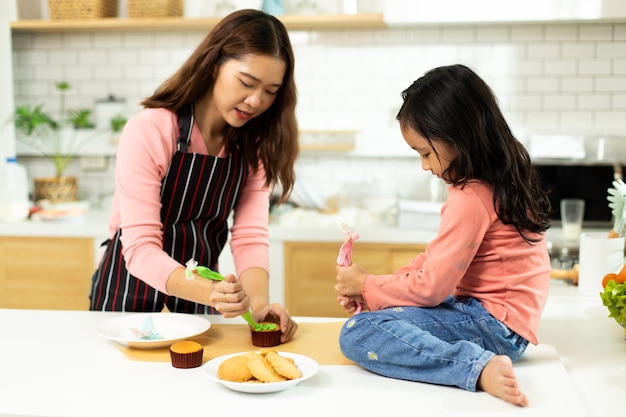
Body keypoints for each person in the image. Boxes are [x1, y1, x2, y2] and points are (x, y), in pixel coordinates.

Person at [334, 64, 552, 406]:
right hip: (499, 321)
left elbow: (431, 288)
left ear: (457, 135)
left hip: (492, 325)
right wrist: (375, 289)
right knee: (375, 317)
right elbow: (434, 262)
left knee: (357, 332)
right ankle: (477, 362)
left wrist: (366, 286)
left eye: (425, 153)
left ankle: (476, 368)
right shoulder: (497, 183)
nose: (424, 166)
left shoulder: (471, 197)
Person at [90, 9, 298, 343]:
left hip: (196, 304)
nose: (256, 100)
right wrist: (212, 293)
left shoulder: (255, 147)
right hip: (126, 297)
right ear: (214, 64)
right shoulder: (152, 130)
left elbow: (250, 235)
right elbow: (141, 248)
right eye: (247, 82)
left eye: (271, 91)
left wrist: (258, 304)